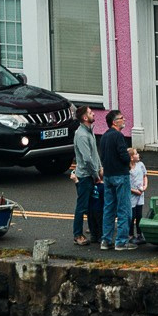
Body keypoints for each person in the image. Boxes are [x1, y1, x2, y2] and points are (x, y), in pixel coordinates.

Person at [98, 110, 133, 251]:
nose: (123, 119)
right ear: (114, 122)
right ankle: (121, 242)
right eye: (120, 118)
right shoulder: (118, 136)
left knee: (109, 209)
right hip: (120, 175)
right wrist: (128, 162)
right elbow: (124, 155)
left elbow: (103, 155)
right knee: (123, 209)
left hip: (108, 176)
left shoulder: (104, 136)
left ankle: (105, 241)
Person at [69, 104, 102, 246]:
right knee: (82, 207)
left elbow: (94, 153)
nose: (93, 114)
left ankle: (94, 234)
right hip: (85, 176)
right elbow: (87, 158)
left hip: (92, 173)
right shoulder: (82, 135)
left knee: (91, 206)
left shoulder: (89, 131)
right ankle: (77, 235)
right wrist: (96, 174)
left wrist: (100, 167)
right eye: (90, 112)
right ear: (84, 117)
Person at [127, 147, 149, 249]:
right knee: (132, 216)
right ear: (131, 158)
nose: (138, 155)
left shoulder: (141, 165)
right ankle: (130, 235)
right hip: (133, 195)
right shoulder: (128, 169)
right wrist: (135, 191)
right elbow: (127, 184)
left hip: (140, 194)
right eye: (136, 154)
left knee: (139, 215)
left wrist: (145, 186)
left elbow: (145, 176)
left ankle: (140, 234)